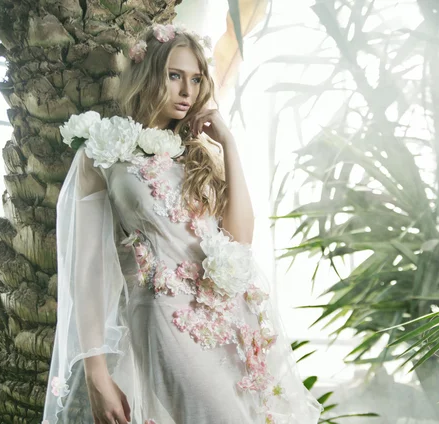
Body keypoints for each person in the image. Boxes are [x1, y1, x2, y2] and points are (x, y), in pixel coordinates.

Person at [41, 23, 323, 424]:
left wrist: (228, 143)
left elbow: (241, 238)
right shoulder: (101, 148)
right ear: (150, 73)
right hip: (164, 318)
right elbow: (85, 270)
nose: (187, 91)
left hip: (232, 318)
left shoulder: (200, 153)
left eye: (195, 79)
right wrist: (96, 371)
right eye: (174, 76)